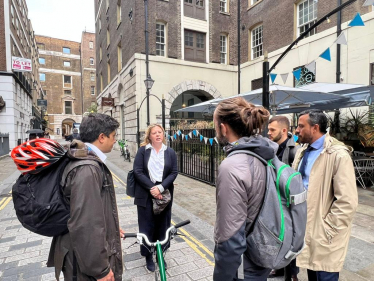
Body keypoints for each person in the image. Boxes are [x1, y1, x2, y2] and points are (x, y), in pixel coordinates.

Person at [47, 113, 124, 281]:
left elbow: (90, 210)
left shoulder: (85, 159)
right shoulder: (87, 169)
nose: (115, 140)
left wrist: (111, 227)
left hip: (78, 256)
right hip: (83, 264)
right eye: (113, 136)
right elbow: (86, 223)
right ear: (102, 137)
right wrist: (100, 270)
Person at [213, 97, 274, 281]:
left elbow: (230, 238)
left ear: (223, 128)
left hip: (243, 268)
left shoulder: (232, 166)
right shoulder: (267, 154)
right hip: (263, 257)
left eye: (215, 125)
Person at [293, 109, 358, 281]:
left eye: (301, 126)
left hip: (324, 234)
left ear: (314, 128)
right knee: (312, 272)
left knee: (324, 275)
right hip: (305, 228)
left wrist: (327, 229)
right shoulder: (302, 151)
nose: (297, 130)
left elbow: (347, 201)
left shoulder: (338, 155)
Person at [133, 124, 178, 272]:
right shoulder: (143, 151)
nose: (158, 134)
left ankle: (160, 255)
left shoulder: (170, 152)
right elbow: (138, 171)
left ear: (163, 135)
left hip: (163, 193)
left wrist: (160, 187)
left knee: (162, 226)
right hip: (146, 193)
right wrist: (152, 188)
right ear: (149, 136)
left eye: (160, 132)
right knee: (147, 226)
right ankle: (148, 256)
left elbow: (173, 172)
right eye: (154, 133)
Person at [267, 116, 300, 281]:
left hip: (288, 202)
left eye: (272, 129)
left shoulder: (294, 150)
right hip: (274, 199)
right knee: (278, 236)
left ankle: (292, 274)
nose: (269, 132)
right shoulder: (271, 148)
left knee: (290, 237)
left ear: (284, 130)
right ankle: (279, 267)